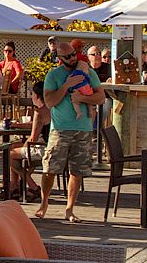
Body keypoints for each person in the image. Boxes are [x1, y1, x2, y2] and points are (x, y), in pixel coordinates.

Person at [33, 41, 106, 221]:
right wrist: (66, 85)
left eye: (74, 54)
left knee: (78, 171)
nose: (72, 58)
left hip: (84, 128)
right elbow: (50, 102)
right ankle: (44, 202)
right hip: (60, 129)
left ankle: (70, 208)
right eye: (68, 56)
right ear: (59, 58)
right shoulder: (54, 75)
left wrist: (82, 97)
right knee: (50, 168)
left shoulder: (89, 72)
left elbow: (101, 97)